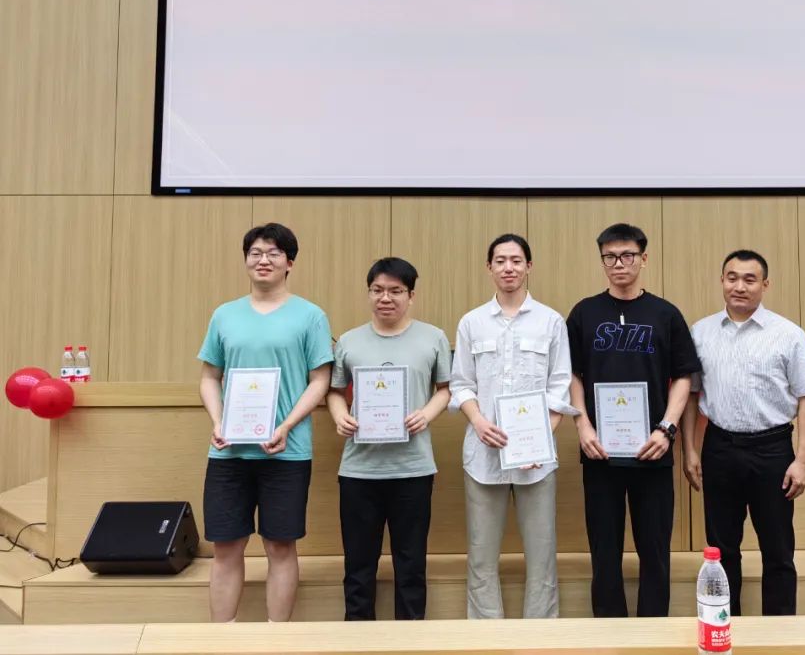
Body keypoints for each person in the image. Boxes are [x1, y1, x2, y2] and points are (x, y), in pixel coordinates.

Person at [198, 223, 334, 622]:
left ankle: (277, 637)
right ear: (245, 260)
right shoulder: (224, 315)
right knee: (226, 547)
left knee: (280, 546)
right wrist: (218, 421)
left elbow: (320, 380)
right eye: (255, 253)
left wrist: (286, 425)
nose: (263, 260)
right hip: (229, 452)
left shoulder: (311, 316)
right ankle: (222, 639)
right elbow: (209, 377)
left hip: (286, 452)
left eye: (274, 253)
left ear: (289, 263)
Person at [567, 223, 701, 618]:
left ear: (643, 258)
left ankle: (653, 631)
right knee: (604, 551)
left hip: (653, 452)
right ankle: (609, 632)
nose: (618, 263)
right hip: (600, 452)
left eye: (627, 255)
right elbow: (571, 375)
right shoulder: (584, 313)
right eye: (610, 257)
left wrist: (667, 429)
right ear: (602, 262)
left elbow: (683, 377)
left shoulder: (666, 314)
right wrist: (583, 426)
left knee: (655, 552)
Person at [680, 249, 805, 616]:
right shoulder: (701, 332)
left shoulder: (788, 334)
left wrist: (802, 461)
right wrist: (690, 450)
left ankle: (779, 633)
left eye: (749, 279)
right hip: (719, 448)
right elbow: (691, 395)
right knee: (721, 549)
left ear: (765, 284)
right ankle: (724, 626)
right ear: (722, 281)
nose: (739, 286)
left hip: (772, 450)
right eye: (732, 278)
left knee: (778, 549)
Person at [449, 233, 574, 619]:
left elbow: (559, 386)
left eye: (516, 260)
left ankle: (540, 635)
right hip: (483, 457)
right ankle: (486, 636)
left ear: (529, 267)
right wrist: (478, 421)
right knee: (481, 554)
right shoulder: (471, 322)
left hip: (536, 460)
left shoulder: (551, 321)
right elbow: (461, 383)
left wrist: (538, 441)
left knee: (542, 555)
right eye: (500, 261)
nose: (508, 268)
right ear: (489, 267)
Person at [327, 257, 451, 621]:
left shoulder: (433, 337)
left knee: (411, 566)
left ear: (411, 295)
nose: (386, 298)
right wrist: (340, 415)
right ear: (368, 294)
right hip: (359, 470)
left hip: (413, 469)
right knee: (358, 566)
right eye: (378, 290)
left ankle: (410, 639)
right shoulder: (349, 341)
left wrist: (426, 414)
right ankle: (357, 638)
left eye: (396, 291)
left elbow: (446, 389)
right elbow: (334, 391)